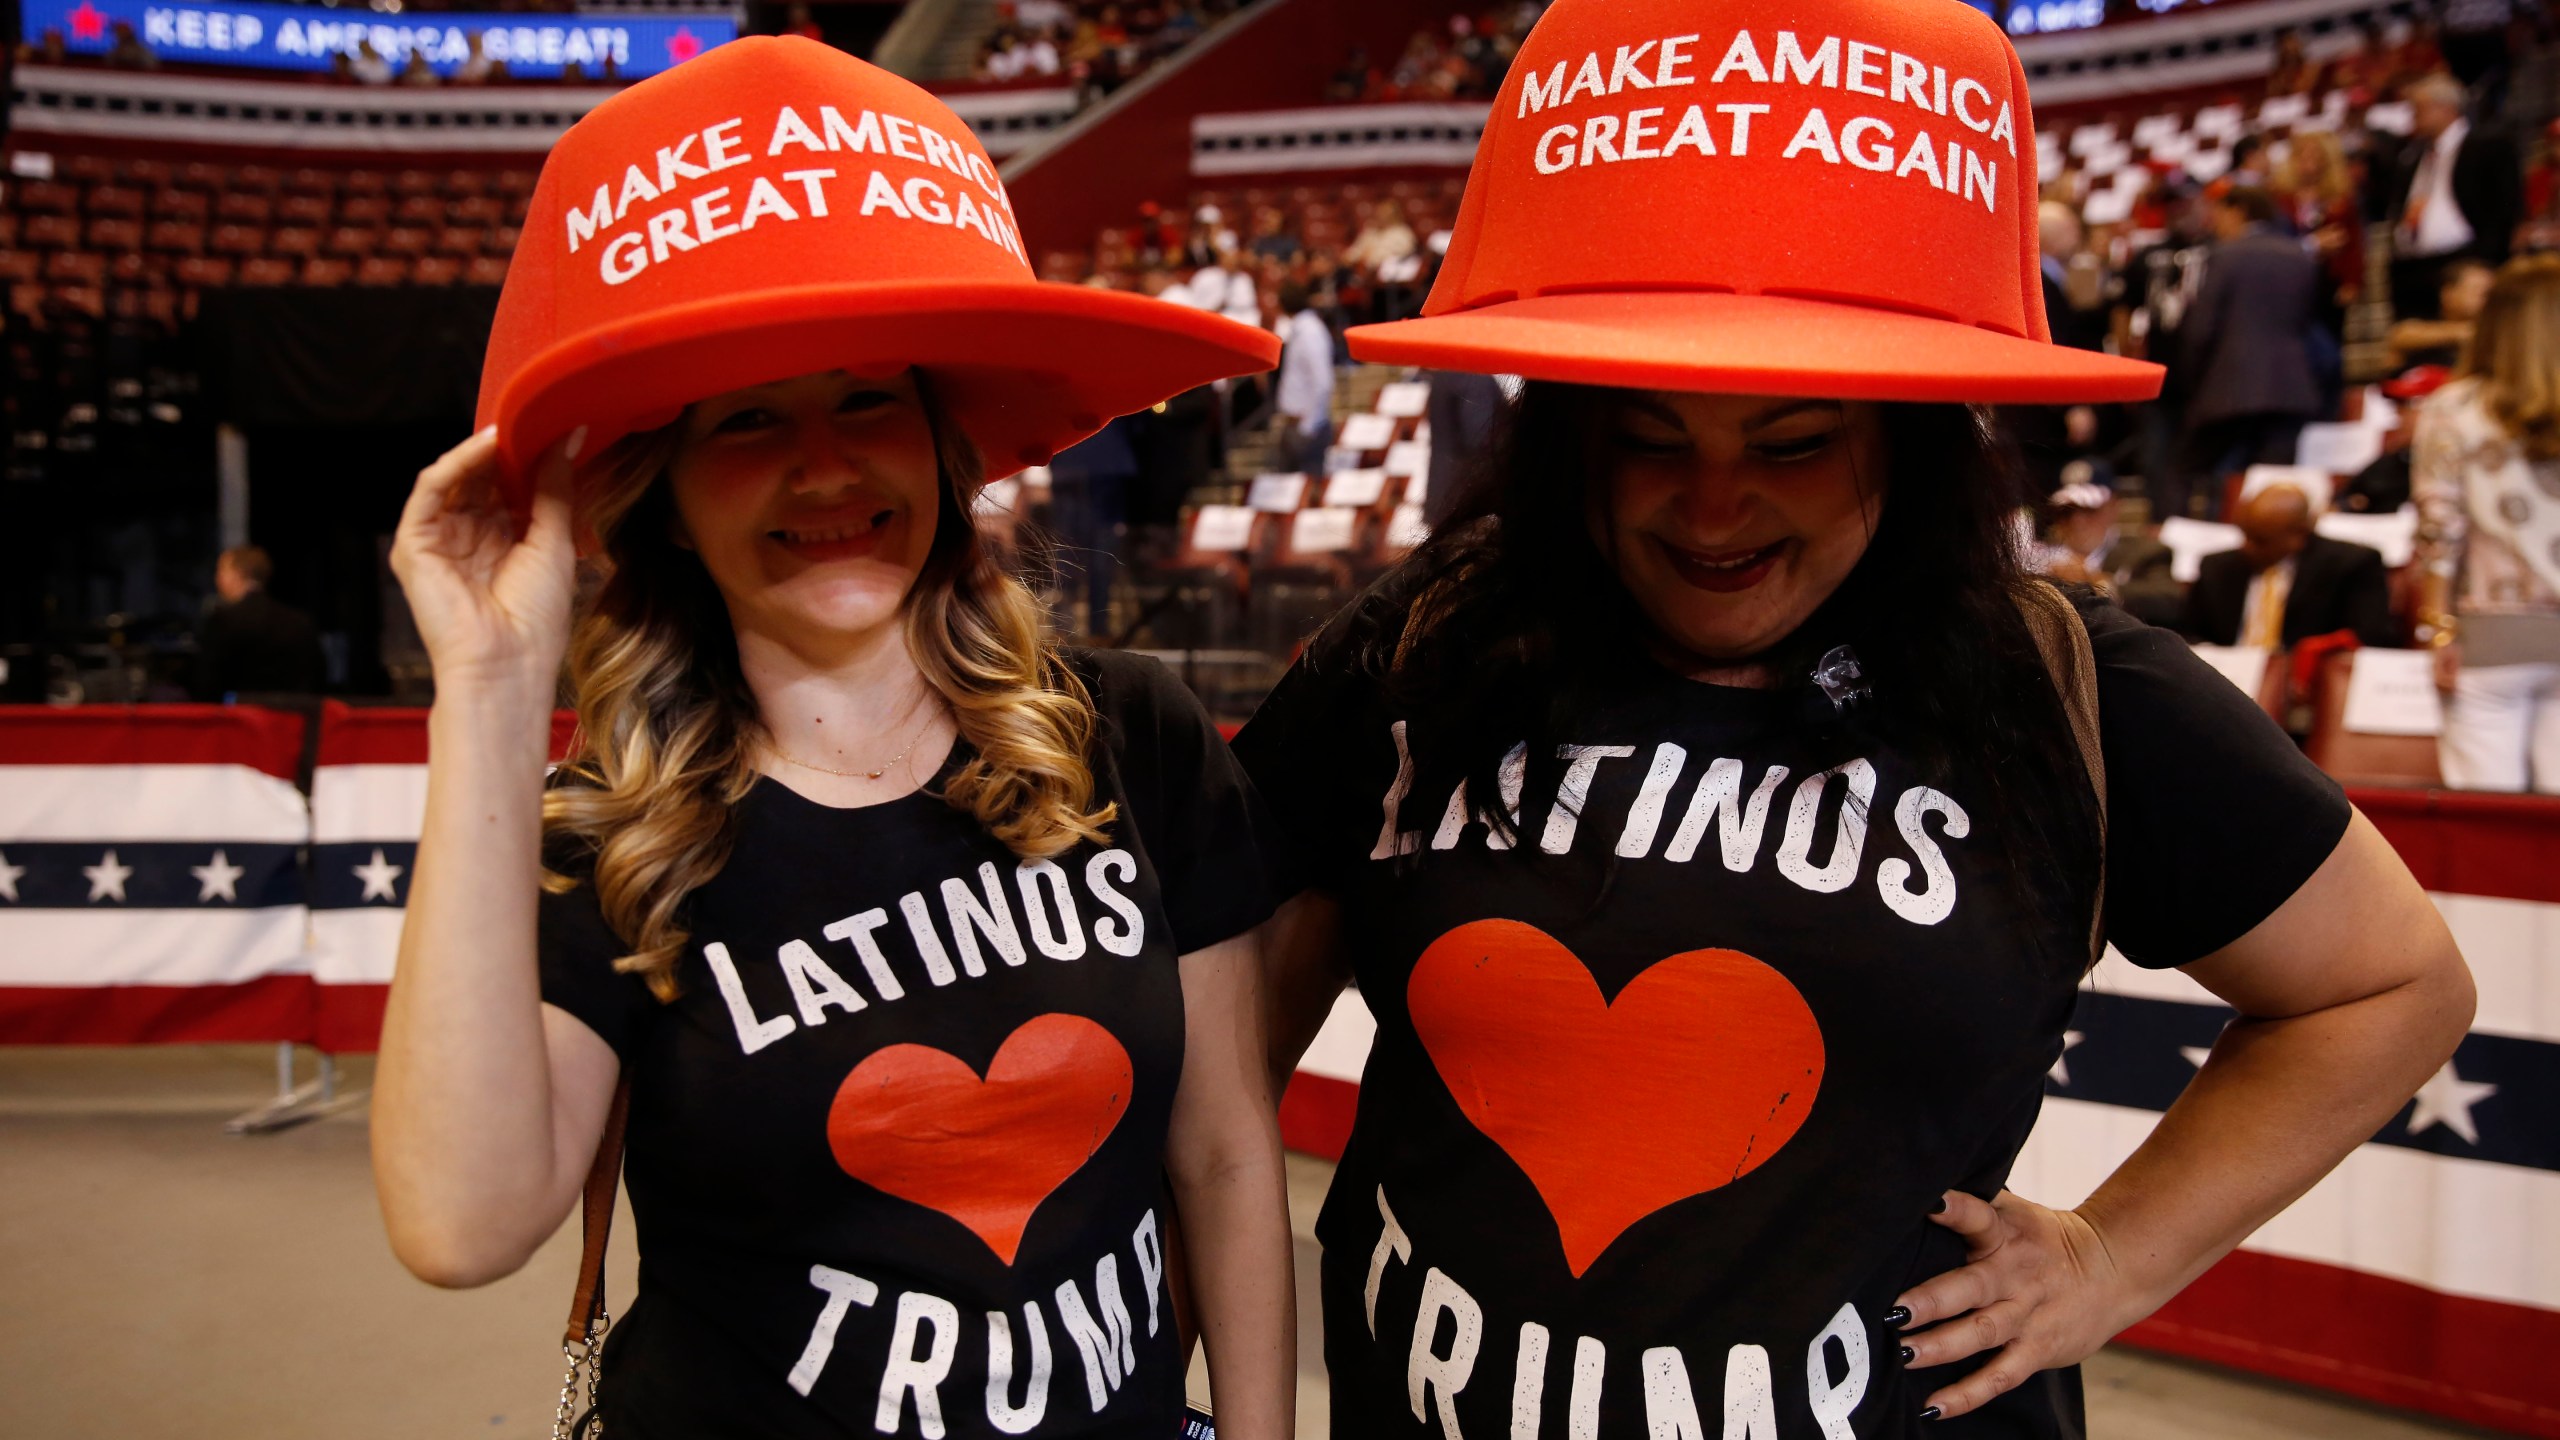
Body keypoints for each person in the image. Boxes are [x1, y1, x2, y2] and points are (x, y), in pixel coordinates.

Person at [1241, 0, 2473, 1435]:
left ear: (1908, 435)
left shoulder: (2064, 683)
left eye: (1795, 443)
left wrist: (2116, 1254)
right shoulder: (1434, 640)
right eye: (1647, 438)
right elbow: (1230, 1030)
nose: (1713, 505)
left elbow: (2390, 988)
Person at [369, 40, 1296, 1439]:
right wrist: (492, 689)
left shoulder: (1137, 735)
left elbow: (1226, 1156)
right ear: (667, 497)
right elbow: (457, 1225)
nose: (825, 468)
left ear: (939, 445)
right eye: (749, 420)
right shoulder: (613, 835)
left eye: (867, 397)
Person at [2413, 253, 2560, 792]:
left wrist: (2437, 629)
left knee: (2489, 833)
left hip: (2490, 635)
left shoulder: (2453, 408)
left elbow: (2439, 531)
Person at [2172, 185, 2324, 521]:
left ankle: (2194, 543)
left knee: (2196, 474)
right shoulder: (2299, 254)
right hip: (2291, 388)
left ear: (2239, 210)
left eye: (2220, 213)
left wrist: (2193, 381)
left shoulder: (2224, 255)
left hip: (2230, 387)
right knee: (2272, 482)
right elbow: (2308, 322)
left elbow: (2200, 330)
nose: (2214, 223)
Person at [2183, 483, 2399, 649]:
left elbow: (2371, 636)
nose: (2247, 548)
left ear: (2300, 535)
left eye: (2261, 540)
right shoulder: (2218, 567)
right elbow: (2188, 634)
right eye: (2245, 535)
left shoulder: (2351, 565)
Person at [2388, 72, 2521, 322]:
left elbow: (2506, 207)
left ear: (2446, 108)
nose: (2413, 116)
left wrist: (2490, 259)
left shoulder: (2489, 145)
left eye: (2419, 108)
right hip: (2415, 269)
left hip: (2470, 262)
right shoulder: (2411, 158)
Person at [2037, 471, 2183, 629]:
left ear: (2114, 507)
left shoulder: (2144, 551)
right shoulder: (2041, 554)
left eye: (2089, 510)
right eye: (2067, 512)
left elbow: (2170, 601)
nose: (2077, 520)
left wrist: (2099, 583)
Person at [193, 544, 323, 699]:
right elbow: (316, 677)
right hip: (291, 719)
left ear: (237, 574)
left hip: (240, 719)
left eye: (221, 571)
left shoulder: (222, 621)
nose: (217, 579)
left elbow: (207, 685)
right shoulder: (300, 622)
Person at [2388, 255, 2497, 369]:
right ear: (2448, 294)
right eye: (2480, 292)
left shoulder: (2496, 333)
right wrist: (2465, 332)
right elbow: (2399, 336)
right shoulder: (2421, 332)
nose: (2489, 300)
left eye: (2492, 294)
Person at [1273, 281, 1334, 475]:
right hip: (1296, 424)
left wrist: (1308, 427)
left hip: (1306, 427)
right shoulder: (1300, 330)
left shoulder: (1311, 332)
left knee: (1306, 489)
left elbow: (1323, 382)